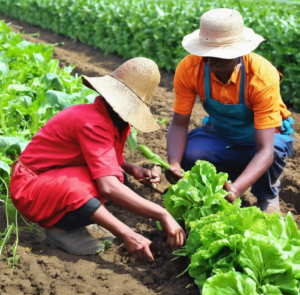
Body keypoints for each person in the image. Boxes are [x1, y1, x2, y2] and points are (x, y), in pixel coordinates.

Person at [10, 57, 185, 261]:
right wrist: (156, 217)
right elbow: (108, 187)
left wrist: (131, 168)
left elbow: (106, 159)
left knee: (113, 177)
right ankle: (59, 230)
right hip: (29, 188)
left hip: (50, 179)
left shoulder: (115, 122)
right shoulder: (93, 123)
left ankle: (76, 221)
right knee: (90, 185)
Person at [166, 8, 294, 214]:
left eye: (220, 57)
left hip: (261, 139)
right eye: (206, 54)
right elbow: (179, 123)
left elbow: (265, 150)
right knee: (191, 154)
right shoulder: (189, 69)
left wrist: (237, 189)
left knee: (276, 150)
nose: (211, 63)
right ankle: (220, 186)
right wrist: (174, 163)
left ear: (240, 53)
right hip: (220, 133)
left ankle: (266, 195)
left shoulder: (261, 75)